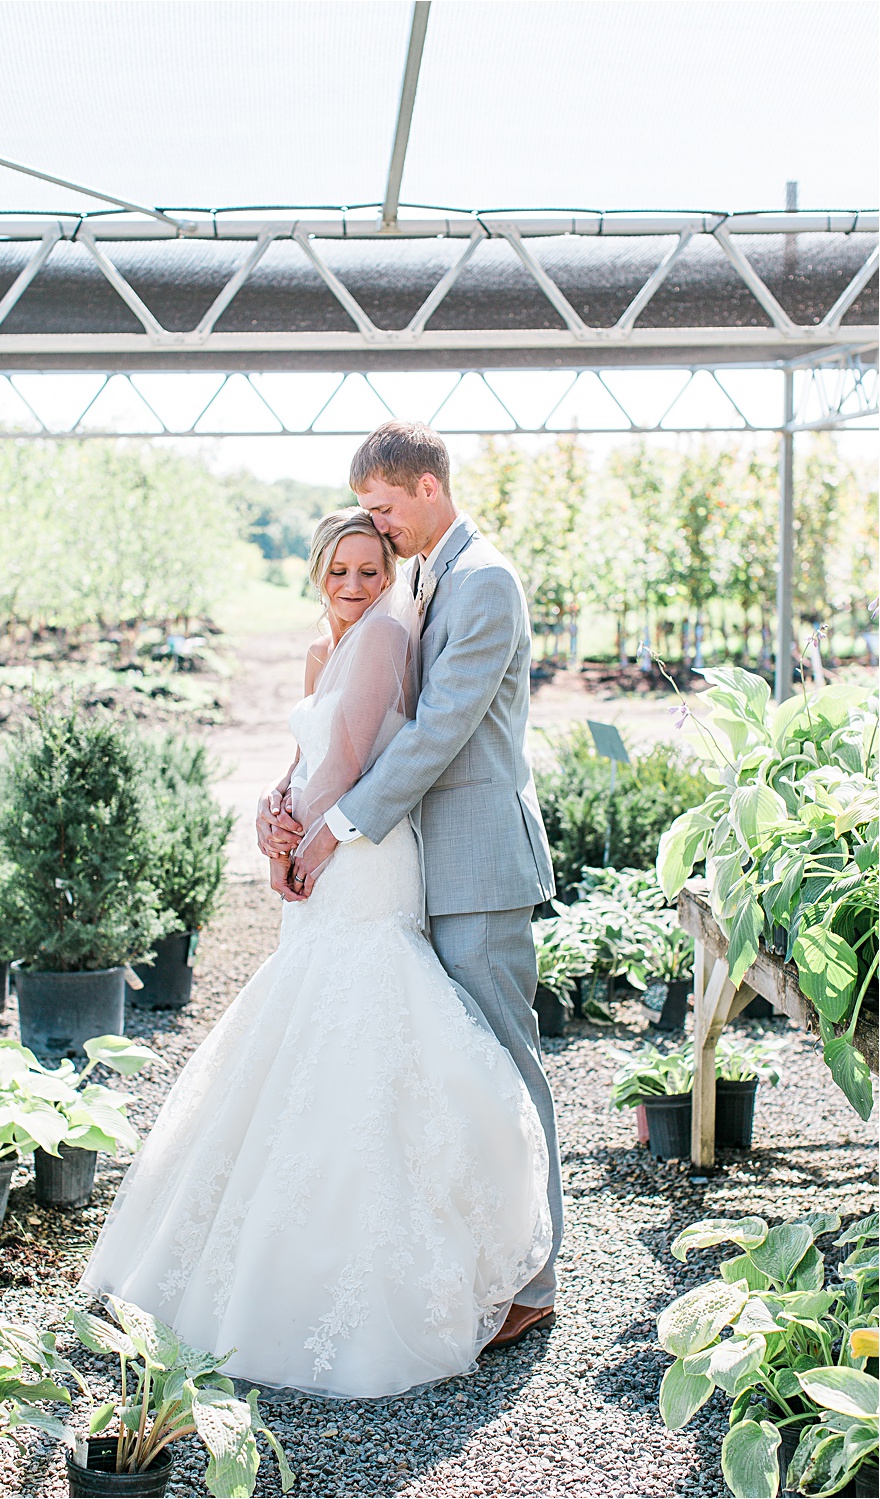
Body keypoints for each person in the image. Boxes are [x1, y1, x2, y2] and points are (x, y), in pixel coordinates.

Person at [79, 502, 553, 1400]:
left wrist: (302, 838)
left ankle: (462, 1264)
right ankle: (277, 1251)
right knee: (308, 1027)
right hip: (329, 850)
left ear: (389, 574)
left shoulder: (383, 639)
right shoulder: (320, 648)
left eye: (370, 570)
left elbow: (349, 765)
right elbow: (304, 755)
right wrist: (271, 812)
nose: (355, 585)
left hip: (364, 854)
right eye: (339, 570)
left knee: (368, 1016)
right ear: (314, 574)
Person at [262, 421, 564, 1348]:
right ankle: (476, 1253)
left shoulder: (484, 581)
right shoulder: (430, 577)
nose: (379, 531)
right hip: (419, 864)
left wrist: (336, 830)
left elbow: (437, 733)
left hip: (475, 863)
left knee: (503, 1066)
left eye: (387, 510)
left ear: (428, 488)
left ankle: (537, 1277)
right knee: (447, 1072)